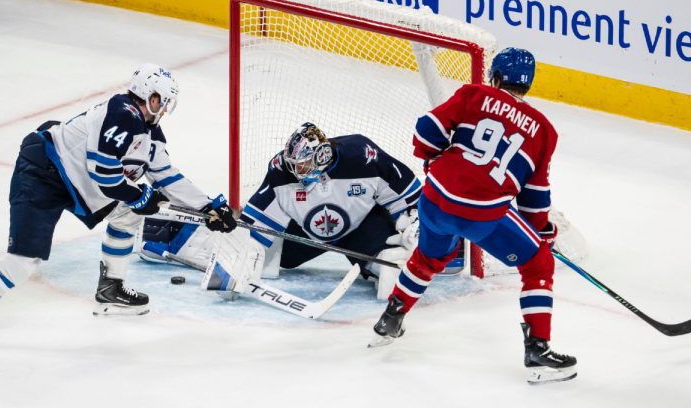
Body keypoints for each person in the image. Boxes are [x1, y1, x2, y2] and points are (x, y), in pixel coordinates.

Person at [0, 64, 236, 352]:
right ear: (147, 95)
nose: (163, 108)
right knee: (22, 261)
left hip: (78, 185)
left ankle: (110, 290)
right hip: (43, 173)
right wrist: (140, 198)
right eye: (160, 101)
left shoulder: (150, 134)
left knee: (127, 214)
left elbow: (168, 176)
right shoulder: (122, 111)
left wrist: (209, 207)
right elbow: (104, 175)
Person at [369, 47, 577, 385]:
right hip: (481, 214)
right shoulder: (543, 131)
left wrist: (433, 160)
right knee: (538, 263)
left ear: (494, 76)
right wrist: (543, 232)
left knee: (429, 256)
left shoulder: (473, 94)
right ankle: (537, 349)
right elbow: (535, 201)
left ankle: (390, 319)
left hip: (434, 199)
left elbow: (425, 131)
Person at [137, 122, 432, 299]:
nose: (295, 170)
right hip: (306, 236)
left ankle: (435, 254)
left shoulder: (363, 156)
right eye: (293, 163)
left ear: (322, 156)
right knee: (275, 258)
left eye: (302, 164)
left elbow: (408, 196)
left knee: (392, 259)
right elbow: (254, 224)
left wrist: (412, 226)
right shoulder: (282, 172)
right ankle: (169, 235)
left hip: (362, 230)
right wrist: (239, 260)